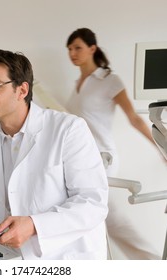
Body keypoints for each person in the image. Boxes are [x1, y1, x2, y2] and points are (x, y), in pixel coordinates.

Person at [0, 49, 109, 260]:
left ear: (22, 90)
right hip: (12, 258)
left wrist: (34, 225)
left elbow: (92, 203)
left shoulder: (68, 129)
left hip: (67, 258)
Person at [65, 28, 160, 259]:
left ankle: (154, 263)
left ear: (92, 48)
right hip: (79, 159)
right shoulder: (78, 84)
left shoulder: (109, 80)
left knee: (110, 217)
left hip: (102, 158)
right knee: (93, 217)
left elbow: (134, 118)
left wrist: (161, 148)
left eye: (77, 47)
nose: (72, 53)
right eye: (69, 49)